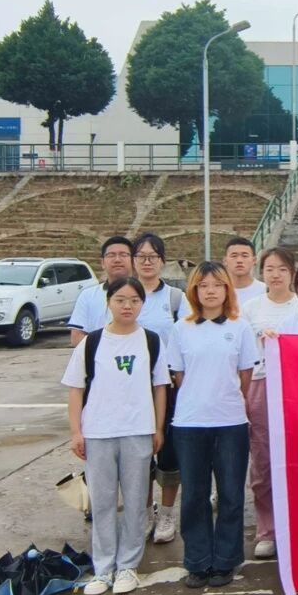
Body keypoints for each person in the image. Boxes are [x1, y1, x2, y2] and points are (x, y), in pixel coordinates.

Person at [62, 277, 169, 595]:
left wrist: (158, 428)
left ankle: (128, 566)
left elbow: (160, 388)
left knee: (136, 502)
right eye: (120, 300)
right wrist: (76, 431)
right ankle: (104, 568)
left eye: (134, 301)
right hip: (99, 433)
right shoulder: (92, 342)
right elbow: (76, 389)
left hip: (137, 432)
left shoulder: (150, 341)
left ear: (142, 304)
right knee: (103, 503)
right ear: (108, 302)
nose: (127, 306)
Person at [166, 262, 258, 589]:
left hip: (230, 421)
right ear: (194, 291)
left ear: (226, 290)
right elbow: (179, 376)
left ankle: (226, 560)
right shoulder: (181, 329)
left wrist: (226, 398)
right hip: (190, 423)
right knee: (195, 494)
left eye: (217, 285)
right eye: (203, 285)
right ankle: (198, 561)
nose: (210, 291)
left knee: (231, 494)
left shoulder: (240, 327)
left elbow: (246, 375)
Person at [241, 248, 298, 560]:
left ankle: (297, 527)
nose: (275, 274)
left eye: (282, 269)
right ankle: (267, 529)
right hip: (261, 385)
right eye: (269, 269)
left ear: (292, 273)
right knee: (263, 459)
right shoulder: (250, 308)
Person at [131, 232, 185, 545]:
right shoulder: (125, 295)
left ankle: (166, 514)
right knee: (138, 453)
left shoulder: (175, 298)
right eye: (141, 256)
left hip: (168, 386)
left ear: (163, 261)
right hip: (131, 387)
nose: (147, 262)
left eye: (153, 256)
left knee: (168, 452)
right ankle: (143, 513)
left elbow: (186, 336)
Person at [69, 236, 134, 346]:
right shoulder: (88, 296)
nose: (117, 260)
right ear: (103, 263)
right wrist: (108, 351)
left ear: (133, 261)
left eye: (123, 255)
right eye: (111, 255)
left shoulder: (143, 295)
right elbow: (77, 337)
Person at [178, 237, 265, 319]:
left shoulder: (265, 291)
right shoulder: (214, 292)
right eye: (234, 256)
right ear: (225, 260)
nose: (239, 260)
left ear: (254, 260)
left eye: (245, 256)